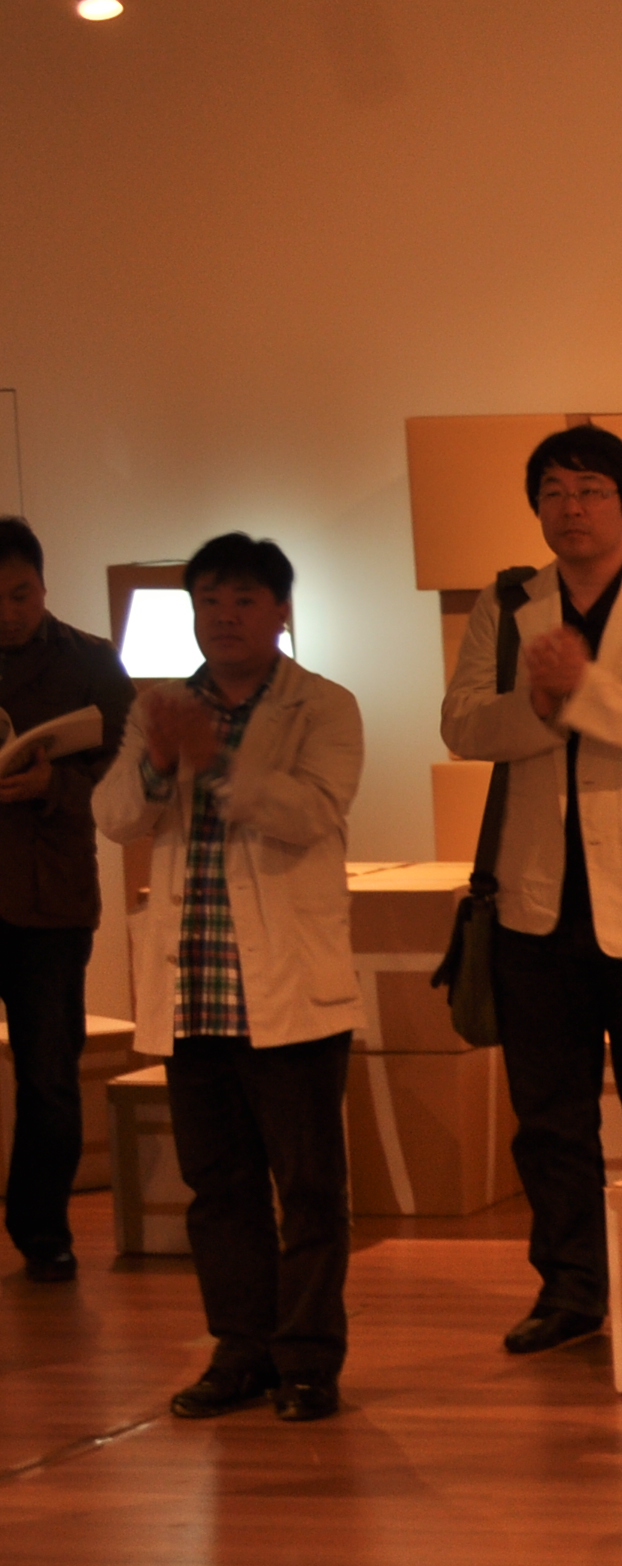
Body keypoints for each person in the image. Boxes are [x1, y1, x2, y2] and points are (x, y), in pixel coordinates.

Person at [443, 426, 622, 1357]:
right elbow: (462, 727)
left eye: (592, 490)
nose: (572, 508)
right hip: (534, 906)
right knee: (549, 1119)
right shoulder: (505, 607)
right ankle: (569, 1289)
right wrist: (539, 705)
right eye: (554, 491)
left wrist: (583, 690)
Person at [91, 534, 366, 1422]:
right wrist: (159, 757)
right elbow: (115, 817)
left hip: (290, 995)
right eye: (209, 599)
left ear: (281, 612)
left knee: (310, 1189)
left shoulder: (324, 705)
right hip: (194, 993)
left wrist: (213, 760)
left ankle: (308, 1360)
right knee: (219, 1190)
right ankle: (240, 1351)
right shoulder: (161, 707)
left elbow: (311, 811)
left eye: (245, 599)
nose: (225, 616)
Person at [0, 516, 133, 1282]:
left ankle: (43, 1230)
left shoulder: (90, 662)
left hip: (50, 898)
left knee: (49, 1075)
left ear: (44, 586)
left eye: (21, 595)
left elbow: (131, 783)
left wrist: (55, 783)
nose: (9, 613)